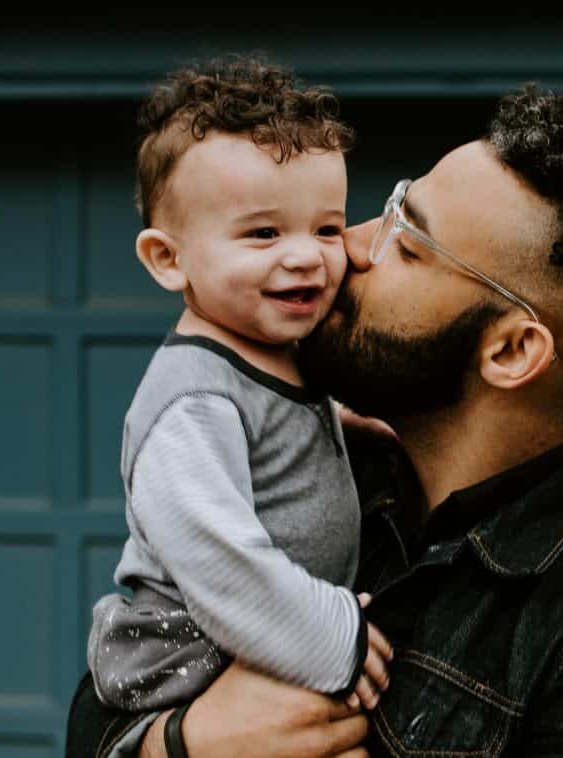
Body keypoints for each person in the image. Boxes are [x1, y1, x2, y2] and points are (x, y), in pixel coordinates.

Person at [68, 73, 563, 757]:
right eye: (387, 211)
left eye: (408, 246)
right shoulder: (310, 466)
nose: (345, 246)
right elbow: (101, 703)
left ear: (511, 350)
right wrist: (180, 745)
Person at [84, 54, 392, 721]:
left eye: (328, 228)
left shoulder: (276, 352)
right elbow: (219, 558)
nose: (307, 254)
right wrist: (332, 637)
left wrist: (341, 426)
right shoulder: (192, 402)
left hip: (258, 637)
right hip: (185, 655)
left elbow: (273, 428)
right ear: (169, 260)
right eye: (263, 233)